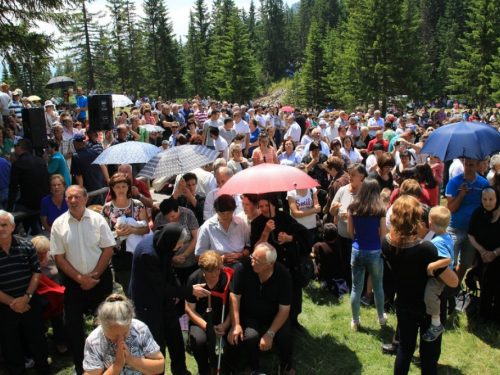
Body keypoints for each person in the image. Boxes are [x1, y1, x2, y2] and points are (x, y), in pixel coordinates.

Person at [381, 196, 458, 375]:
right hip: (429, 309)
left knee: (404, 350)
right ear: (417, 218)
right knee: (429, 356)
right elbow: (453, 281)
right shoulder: (426, 249)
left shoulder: (386, 242)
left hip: (404, 303)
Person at [50, 185, 116, 375]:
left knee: (104, 324)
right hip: (73, 283)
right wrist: (80, 278)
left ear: (85, 199)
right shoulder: (59, 224)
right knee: (73, 326)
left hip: (99, 280)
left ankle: (107, 364)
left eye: (76, 197)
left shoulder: (98, 220)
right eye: (69, 197)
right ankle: (82, 366)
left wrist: (94, 275)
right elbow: (59, 257)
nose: (72, 201)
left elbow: (108, 249)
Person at [129, 223, 211, 375]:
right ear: (171, 241)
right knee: (156, 342)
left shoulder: (164, 243)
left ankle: (180, 371)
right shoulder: (148, 253)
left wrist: (177, 287)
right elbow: (160, 287)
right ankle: (157, 372)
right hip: (148, 303)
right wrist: (188, 291)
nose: (180, 247)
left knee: (175, 338)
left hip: (165, 300)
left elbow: (169, 270)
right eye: (179, 244)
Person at [226, 243, 295, 375]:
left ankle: (286, 365)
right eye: (252, 257)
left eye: (257, 261)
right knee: (251, 337)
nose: (253, 263)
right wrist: (236, 324)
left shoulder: (283, 275)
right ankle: (253, 366)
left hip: (274, 314)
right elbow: (234, 296)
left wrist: (270, 334)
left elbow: (284, 309)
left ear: (271, 263)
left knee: (284, 336)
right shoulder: (243, 266)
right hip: (250, 313)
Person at [0, 210, 53, 375]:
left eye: (4, 224)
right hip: (4, 307)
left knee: (37, 340)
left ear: (13, 226)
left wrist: (26, 297)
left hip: (30, 302)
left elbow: (36, 272)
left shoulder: (26, 245)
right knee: (11, 345)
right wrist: (13, 303)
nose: (0, 228)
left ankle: (43, 371)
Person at [251, 193, 311, 331]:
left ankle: (294, 320)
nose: (264, 209)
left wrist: (289, 238)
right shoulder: (257, 223)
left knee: (293, 294)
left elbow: (303, 234)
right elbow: (255, 247)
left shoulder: (284, 217)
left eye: (267, 205)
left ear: (273, 204)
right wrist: (265, 232)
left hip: (290, 264)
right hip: (271, 267)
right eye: (261, 206)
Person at [83, 294, 165, 375]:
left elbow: (160, 367)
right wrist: (117, 366)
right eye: (114, 335)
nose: (121, 339)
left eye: (125, 333)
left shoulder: (140, 329)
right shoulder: (94, 341)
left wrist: (131, 360)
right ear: (102, 327)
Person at [347, 179, 387, 330]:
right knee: (378, 286)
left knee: (356, 288)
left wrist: (358, 240)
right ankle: (381, 318)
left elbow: (350, 232)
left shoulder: (353, 207)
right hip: (375, 250)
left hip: (357, 249)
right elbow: (383, 235)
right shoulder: (380, 210)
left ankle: (355, 320)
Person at [101, 173, 149, 295]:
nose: (121, 189)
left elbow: (146, 229)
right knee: (128, 288)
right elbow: (103, 233)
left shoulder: (137, 205)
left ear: (128, 187)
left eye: (124, 186)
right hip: (119, 254)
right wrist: (117, 232)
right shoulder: (107, 208)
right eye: (117, 187)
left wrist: (132, 230)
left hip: (137, 252)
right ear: (112, 188)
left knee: (142, 286)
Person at [185, 251, 231, 375]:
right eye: (211, 272)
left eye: (217, 270)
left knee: (235, 337)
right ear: (203, 270)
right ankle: (204, 368)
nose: (215, 274)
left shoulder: (227, 277)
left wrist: (226, 325)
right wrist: (207, 327)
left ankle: (228, 365)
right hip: (202, 320)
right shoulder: (194, 279)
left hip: (224, 319)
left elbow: (234, 306)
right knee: (198, 341)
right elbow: (189, 309)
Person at [446, 158, 489, 283]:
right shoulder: (454, 183)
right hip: (455, 228)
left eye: (471, 165)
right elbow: (450, 209)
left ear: (477, 166)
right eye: (466, 164)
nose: (468, 168)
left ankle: (456, 287)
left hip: (473, 231)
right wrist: (461, 194)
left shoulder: (483, 184)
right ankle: (448, 289)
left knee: (466, 262)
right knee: (449, 262)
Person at [330, 164, 367, 289]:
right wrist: (334, 209)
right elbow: (332, 212)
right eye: (349, 173)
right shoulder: (342, 190)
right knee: (344, 261)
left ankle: (357, 285)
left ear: (361, 176)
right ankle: (347, 284)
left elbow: (369, 213)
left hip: (358, 235)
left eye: (353, 174)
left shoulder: (365, 192)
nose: (349, 177)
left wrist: (352, 216)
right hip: (342, 233)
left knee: (356, 263)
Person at [468, 186, 500, 325]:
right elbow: (471, 234)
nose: (487, 202)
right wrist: (482, 251)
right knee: (485, 285)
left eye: (491, 199)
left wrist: (495, 253)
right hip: (483, 257)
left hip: (498, 256)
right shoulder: (477, 213)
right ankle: (484, 314)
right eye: (484, 199)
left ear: (497, 199)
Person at [422, 206, 454, 342]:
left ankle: (436, 324)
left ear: (430, 224)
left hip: (440, 278)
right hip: (443, 275)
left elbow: (447, 259)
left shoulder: (438, 241)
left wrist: (432, 265)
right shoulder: (447, 236)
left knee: (430, 296)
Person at [7, 139, 49, 235]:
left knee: (11, 224)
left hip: (27, 203)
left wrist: (10, 209)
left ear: (20, 147)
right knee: (34, 222)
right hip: (42, 200)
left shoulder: (17, 164)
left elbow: (13, 187)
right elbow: (47, 180)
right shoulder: (40, 161)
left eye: (16, 146)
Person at [196, 195, 251, 267]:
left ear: (233, 211)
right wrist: (220, 259)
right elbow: (199, 255)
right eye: (222, 213)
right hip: (217, 268)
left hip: (239, 265)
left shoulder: (241, 223)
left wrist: (240, 255)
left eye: (229, 213)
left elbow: (248, 247)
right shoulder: (207, 227)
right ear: (216, 211)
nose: (226, 216)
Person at [154, 198, 199, 285]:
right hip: (170, 261)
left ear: (178, 209)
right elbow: (159, 241)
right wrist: (171, 258)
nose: (170, 220)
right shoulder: (159, 218)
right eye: (167, 217)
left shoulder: (188, 214)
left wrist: (185, 255)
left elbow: (196, 237)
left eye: (173, 216)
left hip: (189, 259)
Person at [287, 166, 321, 242]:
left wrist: (304, 212)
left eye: (305, 174)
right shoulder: (291, 192)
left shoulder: (312, 189)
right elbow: (295, 213)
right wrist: (312, 210)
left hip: (312, 226)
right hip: (298, 227)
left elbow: (318, 208)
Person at [312, 223, 344, 296]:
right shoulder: (339, 246)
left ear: (324, 235)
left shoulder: (318, 246)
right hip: (337, 273)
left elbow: (313, 256)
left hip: (322, 274)